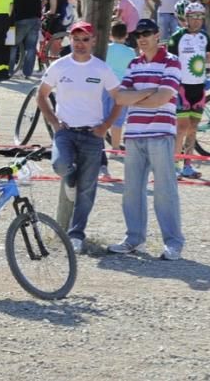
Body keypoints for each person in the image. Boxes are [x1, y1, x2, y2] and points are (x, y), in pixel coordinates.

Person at [38, 21, 141, 253]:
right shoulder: (60, 66)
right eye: (76, 39)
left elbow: (119, 97)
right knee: (60, 165)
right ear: (70, 40)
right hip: (66, 132)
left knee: (87, 190)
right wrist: (54, 122)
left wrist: (106, 126)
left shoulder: (101, 68)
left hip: (92, 134)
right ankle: (70, 179)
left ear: (93, 41)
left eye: (85, 39)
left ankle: (76, 235)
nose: (80, 44)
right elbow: (41, 94)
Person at [107, 18, 186, 261]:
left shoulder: (172, 62)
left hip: (161, 135)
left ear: (157, 34)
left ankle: (173, 243)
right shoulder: (133, 63)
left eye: (147, 32)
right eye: (138, 33)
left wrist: (137, 96)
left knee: (165, 191)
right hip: (134, 135)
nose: (141, 37)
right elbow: (120, 98)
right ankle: (134, 239)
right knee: (131, 191)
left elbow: (161, 99)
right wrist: (149, 92)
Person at [167, 2, 210, 179]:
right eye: (193, 17)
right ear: (186, 18)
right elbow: (170, 62)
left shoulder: (204, 37)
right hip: (182, 89)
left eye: (199, 17)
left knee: (193, 127)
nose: (196, 21)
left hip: (199, 89)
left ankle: (188, 165)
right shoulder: (177, 37)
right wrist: (176, 86)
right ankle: (174, 165)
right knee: (181, 128)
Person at [103, 22, 137, 177]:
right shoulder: (131, 52)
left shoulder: (106, 49)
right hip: (122, 89)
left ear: (111, 34)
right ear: (126, 35)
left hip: (105, 87)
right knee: (117, 121)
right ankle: (115, 149)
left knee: (102, 119)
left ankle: (100, 148)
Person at [11, 0, 54, 79]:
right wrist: (52, 10)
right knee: (31, 47)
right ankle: (27, 73)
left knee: (12, 45)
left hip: (18, 19)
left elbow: (9, 0)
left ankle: (10, 71)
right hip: (35, 19)